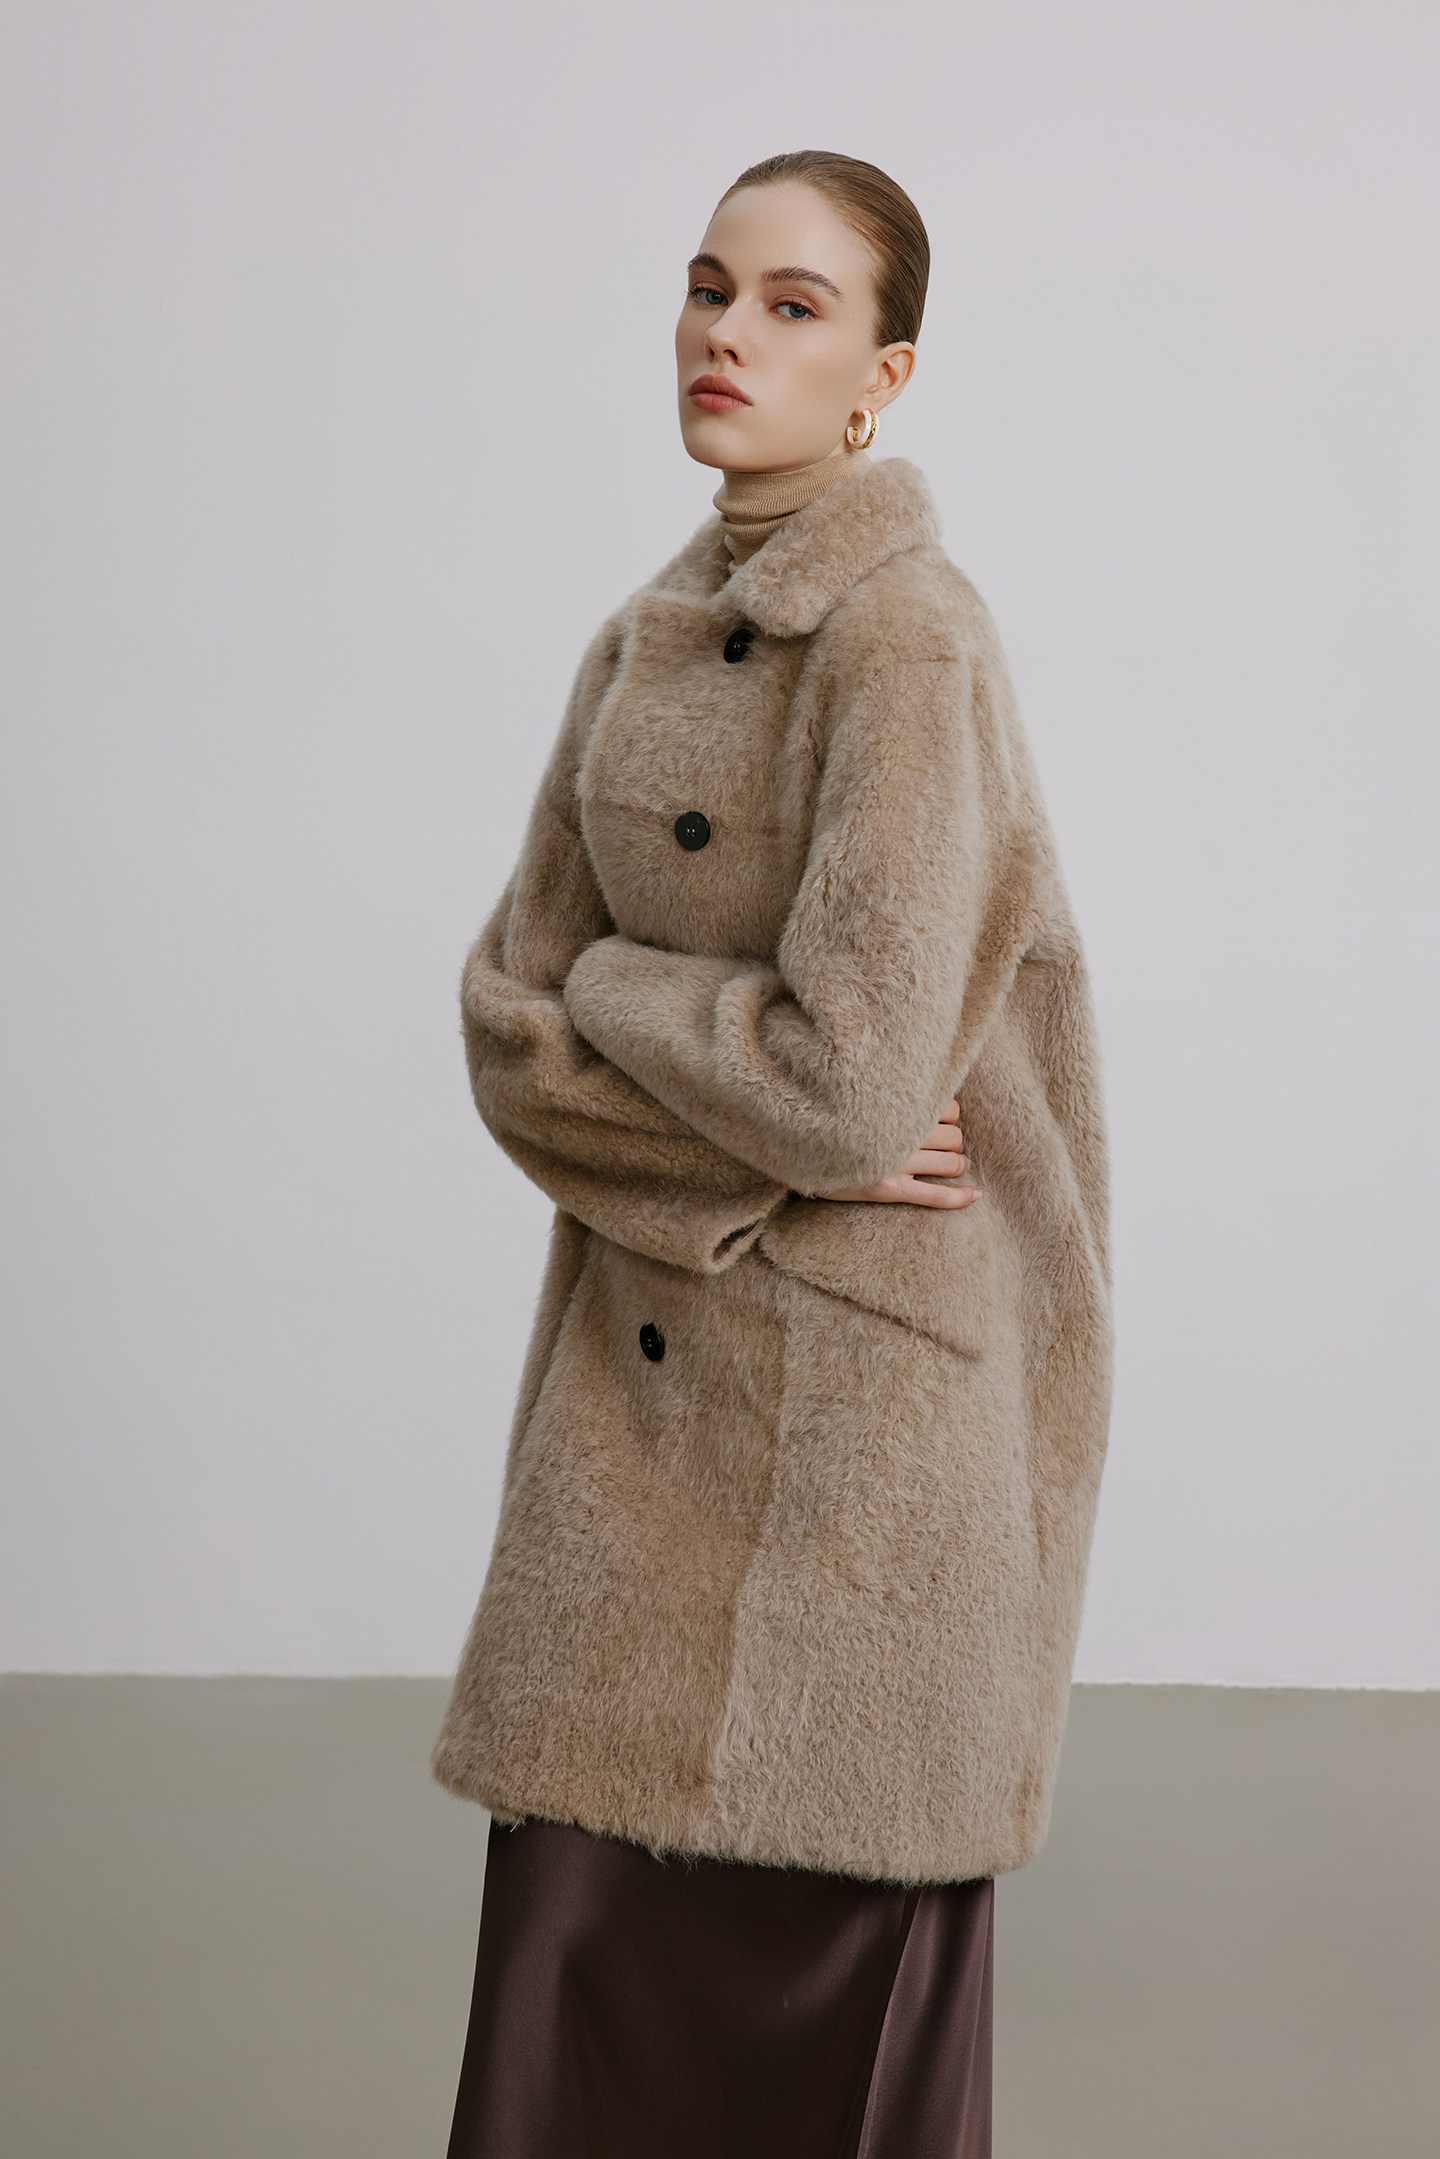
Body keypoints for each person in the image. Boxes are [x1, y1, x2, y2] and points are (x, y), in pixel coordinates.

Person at [433, 149, 1113, 2159]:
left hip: (859, 1457)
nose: (726, 333)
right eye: (710, 286)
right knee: (571, 1978)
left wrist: (620, 995)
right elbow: (504, 1027)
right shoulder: (642, 637)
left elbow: (850, 1081)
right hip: (636, 1437)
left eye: (795, 307)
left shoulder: (909, 641)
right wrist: (715, 1104)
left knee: (831, 2042)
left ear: (882, 378)